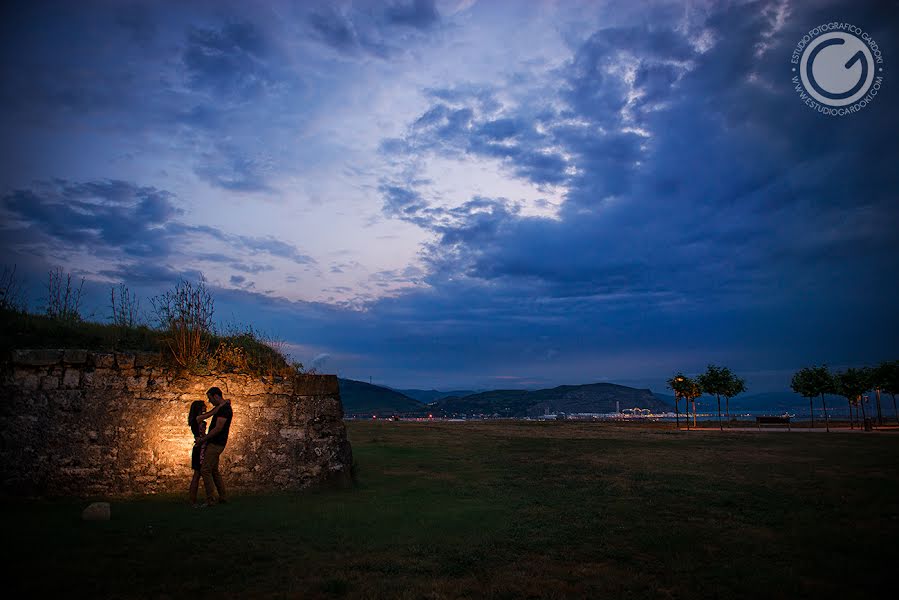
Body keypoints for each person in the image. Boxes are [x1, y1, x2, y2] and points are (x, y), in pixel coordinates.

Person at [194, 386, 233, 506]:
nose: (209, 402)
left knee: (205, 470)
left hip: (216, 443)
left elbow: (218, 428)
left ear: (216, 396)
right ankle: (222, 497)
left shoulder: (224, 410)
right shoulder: (222, 407)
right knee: (214, 471)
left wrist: (203, 439)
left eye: (210, 398)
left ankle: (211, 499)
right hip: (216, 442)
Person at [187, 398, 230, 507]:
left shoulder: (198, 419)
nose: (206, 407)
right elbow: (210, 414)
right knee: (197, 475)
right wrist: (221, 405)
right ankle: (193, 501)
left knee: (206, 472)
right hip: (199, 448)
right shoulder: (196, 419)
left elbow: (210, 413)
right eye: (203, 406)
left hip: (202, 446)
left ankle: (197, 500)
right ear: (198, 408)